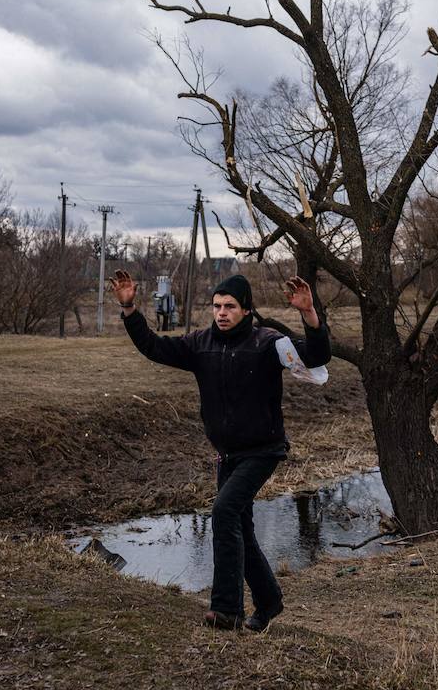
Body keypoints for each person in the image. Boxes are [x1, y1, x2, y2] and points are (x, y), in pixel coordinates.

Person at [109, 269, 330, 631]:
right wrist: (130, 308)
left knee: (224, 513)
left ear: (246, 310)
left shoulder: (269, 342)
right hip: (228, 454)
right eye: (216, 306)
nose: (222, 313)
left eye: (229, 306)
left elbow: (316, 357)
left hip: (263, 450)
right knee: (238, 526)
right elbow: (153, 346)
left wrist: (309, 315)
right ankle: (269, 601)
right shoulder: (200, 344)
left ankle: (227, 610)